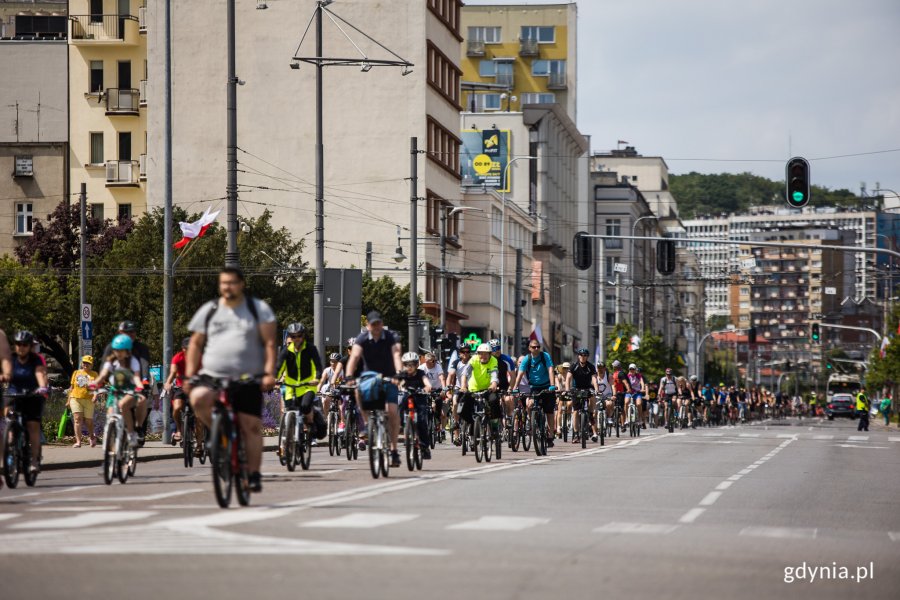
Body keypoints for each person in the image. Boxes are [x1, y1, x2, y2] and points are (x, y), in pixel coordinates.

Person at [184, 266, 278, 493]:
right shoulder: (210, 310)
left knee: (251, 426)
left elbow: (269, 343)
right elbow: (195, 343)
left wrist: (268, 372)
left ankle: (253, 474)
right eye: (223, 283)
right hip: (213, 375)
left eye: (232, 283)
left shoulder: (257, 310)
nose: (227, 287)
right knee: (198, 398)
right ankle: (219, 433)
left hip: (248, 376)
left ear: (241, 284)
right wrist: (189, 374)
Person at [345, 310, 404, 467]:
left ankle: (393, 450)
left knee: (391, 411)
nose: (376, 327)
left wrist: (398, 374)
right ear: (368, 325)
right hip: (369, 377)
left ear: (382, 323)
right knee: (357, 390)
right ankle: (366, 423)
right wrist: (349, 376)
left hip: (389, 377)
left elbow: (396, 356)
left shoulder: (389, 337)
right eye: (373, 324)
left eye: (379, 323)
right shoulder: (362, 338)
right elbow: (354, 357)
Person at [5, 331, 49, 474]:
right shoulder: (11, 359)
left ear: (30, 346)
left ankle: (34, 460)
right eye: (18, 344)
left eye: (24, 345)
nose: (21, 347)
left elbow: (39, 373)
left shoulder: (35, 360)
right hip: (14, 393)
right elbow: (6, 372)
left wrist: (42, 387)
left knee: (32, 425)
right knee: (7, 416)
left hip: (32, 394)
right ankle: (10, 444)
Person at [92, 334, 146, 448]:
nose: (119, 353)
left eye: (122, 351)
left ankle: (131, 434)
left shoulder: (133, 362)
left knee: (123, 405)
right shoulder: (111, 361)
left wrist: (139, 385)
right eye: (116, 350)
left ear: (127, 351)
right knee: (110, 415)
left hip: (130, 391)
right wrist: (95, 382)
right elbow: (103, 375)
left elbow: (136, 376)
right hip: (115, 391)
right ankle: (112, 442)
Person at [277, 322, 324, 442]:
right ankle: (290, 437)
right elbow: (278, 367)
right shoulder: (286, 351)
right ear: (290, 337)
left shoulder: (310, 349)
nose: (296, 339)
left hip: (308, 385)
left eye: (299, 336)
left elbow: (318, 366)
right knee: (289, 409)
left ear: (303, 336)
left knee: (305, 406)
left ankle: (310, 422)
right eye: (293, 336)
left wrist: (317, 378)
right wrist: (274, 378)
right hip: (291, 387)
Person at [511, 340, 557, 447]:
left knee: (549, 411)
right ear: (529, 348)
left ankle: (550, 436)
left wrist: (552, 385)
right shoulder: (527, 359)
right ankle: (534, 425)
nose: (536, 349)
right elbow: (520, 373)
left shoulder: (545, 356)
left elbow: (550, 370)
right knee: (530, 404)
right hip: (534, 387)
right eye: (534, 347)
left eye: (538, 347)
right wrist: (515, 387)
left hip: (547, 386)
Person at [460, 344, 500, 442]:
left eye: (486, 354)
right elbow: (465, 373)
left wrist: (494, 384)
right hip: (473, 389)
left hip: (488, 389)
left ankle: (494, 427)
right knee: (461, 407)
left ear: (490, 354)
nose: (483, 356)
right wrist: (463, 386)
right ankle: (472, 423)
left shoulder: (493, 360)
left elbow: (494, 374)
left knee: (494, 401)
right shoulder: (474, 359)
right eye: (480, 354)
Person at [397, 351, 433, 459]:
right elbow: (399, 383)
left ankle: (425, 447)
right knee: (399, 405)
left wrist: (426, 388)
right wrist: (400, 387)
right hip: (407, 396)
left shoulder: (421, 373)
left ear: (417, 365)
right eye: (407, 365)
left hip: (419, 397)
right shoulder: (403, 374)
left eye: (412, 364)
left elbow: (427, 383)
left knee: (422, 421)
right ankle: (400, 426)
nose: (409, 367)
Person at [566, 348, 598, 442]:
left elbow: (594, 379)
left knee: (593, 395)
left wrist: (596, 389)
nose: (583, 357)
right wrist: (567, 390)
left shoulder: (591, 366)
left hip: (588, 387)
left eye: (585, 355)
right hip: (576, 389)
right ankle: (576, 434)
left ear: (587, 357)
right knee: (575, 411)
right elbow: (568, 378)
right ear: (578, 356)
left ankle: (591, 413)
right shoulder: (574, 366)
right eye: (581, 355)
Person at [163, 337, 191, 443]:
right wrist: (168, 382)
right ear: (183, 349)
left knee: (199, 416)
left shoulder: (198, 356)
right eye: (186, 348)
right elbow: (173, 372)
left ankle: (199, 444)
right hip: (181, 388)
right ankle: (179, 430)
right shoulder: (178, 357)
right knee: (176, 407)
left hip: (195, 388)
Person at [67, 355, 98, 447]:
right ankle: (78, 441)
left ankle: (92, 437)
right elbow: (71, 388)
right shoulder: (76, 373)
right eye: (84, 362)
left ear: (91, 365)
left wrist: (95, 395)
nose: (85, 364)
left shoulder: (94, 374)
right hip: (75, 398)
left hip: (89, 400)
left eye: (88, 363)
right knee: (77, 419)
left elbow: (97, 388)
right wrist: (68, 400)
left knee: (88, 421)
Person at [488, 339, 516, 429]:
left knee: (508, 400)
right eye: (495, 349)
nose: (497, 351)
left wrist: (510, 389)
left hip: (503, 385)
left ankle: (509, 417)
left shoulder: (506, 359)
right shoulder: (487, 360)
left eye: (499, 348)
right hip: (490, 385)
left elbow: (513, 376)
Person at [418, 351, 447, 434]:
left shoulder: (438, 367)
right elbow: (418, 379)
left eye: (435, 360)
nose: (435, 362)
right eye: (433, 361)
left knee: (438, 403)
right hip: (426, 389)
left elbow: (442, 378)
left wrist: (444, 390)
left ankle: (437, 421)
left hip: (437, 389)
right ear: (426, 361)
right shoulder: (421, 368)